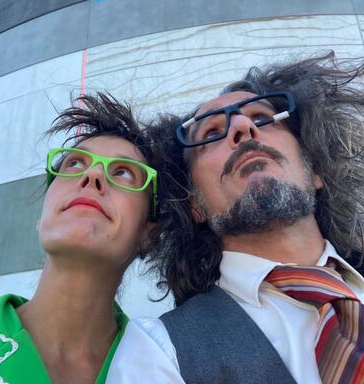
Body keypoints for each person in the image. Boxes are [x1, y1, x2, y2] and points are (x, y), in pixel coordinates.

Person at [116, 53, 364, 384]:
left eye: (263, 117)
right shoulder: (159, 350)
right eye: (211, 132)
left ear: (315, 171)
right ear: (194, 204)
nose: (242, 127)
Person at [0, 93, 160, 383]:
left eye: (124, 173)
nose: (93, 175)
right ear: (41, 218)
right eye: (75, 163)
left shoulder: (161, 367)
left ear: (148, 235)